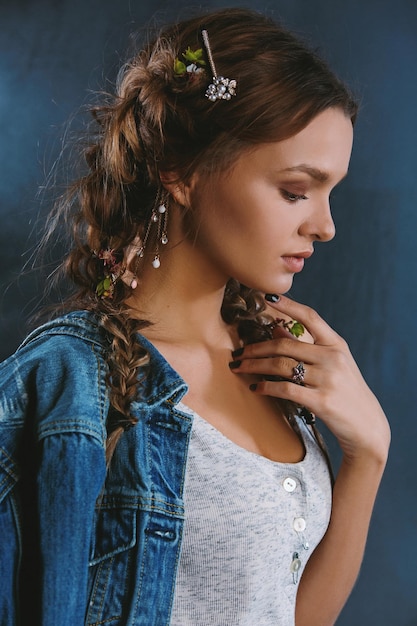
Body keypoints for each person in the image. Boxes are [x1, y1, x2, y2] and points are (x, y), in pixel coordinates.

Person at [0, 7, 390, 626]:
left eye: (330, 191)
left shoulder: (273, 362)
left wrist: (369, 453)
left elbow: (289, 616)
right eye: (295, 191)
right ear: (181, 171)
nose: (324, 226)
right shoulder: (70, 383)